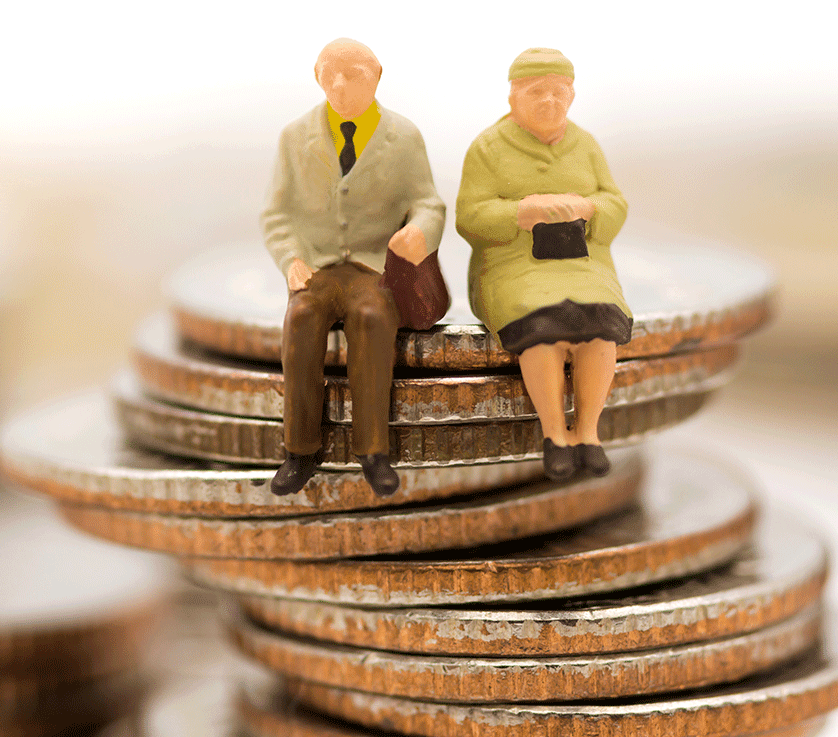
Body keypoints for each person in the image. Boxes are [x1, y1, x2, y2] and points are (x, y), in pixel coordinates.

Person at [261, 38, 446, 496]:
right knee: (301, 317)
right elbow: (276, 213)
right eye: (330, 74)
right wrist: (291, 259)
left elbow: (429, 202)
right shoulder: (294, 137)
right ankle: (300, 449)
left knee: (372, 317)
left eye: (354, 74)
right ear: (318, 77)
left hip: (374, 267)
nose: (340, 85)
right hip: (317, 266)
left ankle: (374, 450)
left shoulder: (403, 137)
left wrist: (421, 230)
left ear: (377, 75)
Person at [456, 48, 633, 480]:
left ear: (572, 96)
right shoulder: (488, 148)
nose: (550, 102)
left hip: (582, 262)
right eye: (537, 92)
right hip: (515, 265)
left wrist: (589, 208)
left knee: (599, 327)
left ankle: (588, 432)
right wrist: (522, 211)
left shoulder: (586, 145)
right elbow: (469, 217)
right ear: (514, 97)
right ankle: (554, 434)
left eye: (559, 92)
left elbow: (616, 202)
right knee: (543, 330)